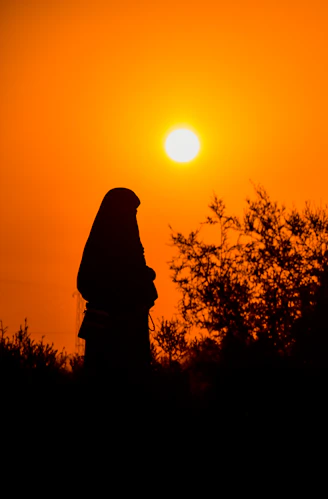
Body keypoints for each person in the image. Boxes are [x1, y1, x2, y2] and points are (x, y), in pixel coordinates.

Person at [76, 188, 158, 385]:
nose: (133, 217)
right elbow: (89, 282)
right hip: (113, 333)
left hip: (129, 333)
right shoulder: (105, 247)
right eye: (131, 211)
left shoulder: (128, 246)